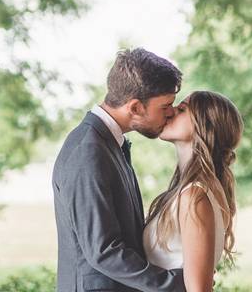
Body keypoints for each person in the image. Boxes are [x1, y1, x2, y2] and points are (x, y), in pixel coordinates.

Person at [52, 48, 187, 292]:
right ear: (135, 107)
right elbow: (104, 250)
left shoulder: (109, 144)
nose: (171, 113)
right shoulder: (88, 151)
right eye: (165, 105)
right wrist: (176, 283)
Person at [143, 91, 243, 292]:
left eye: (181, 109)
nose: (170, 112)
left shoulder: (195, 196)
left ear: (203, 125)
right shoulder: (190, 192)